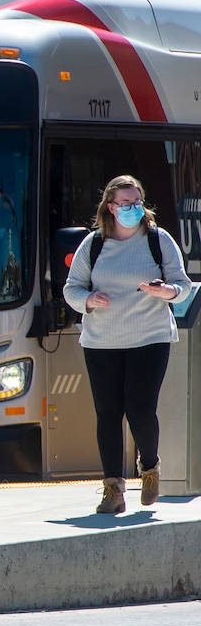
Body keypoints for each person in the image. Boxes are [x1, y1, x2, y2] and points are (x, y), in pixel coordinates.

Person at [63, 174, 190, 514]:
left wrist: (166, 291)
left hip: (149, 338)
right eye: (125, 203)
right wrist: (89, 299)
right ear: (110, 207)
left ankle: (149, 468)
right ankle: (113, 490)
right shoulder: (94, 244)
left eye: (137, 202)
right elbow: (71, 288)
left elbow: (182, 285)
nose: (133, 208)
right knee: (108, 413)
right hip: (101, 341)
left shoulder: (158, 240)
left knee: (140, 410)